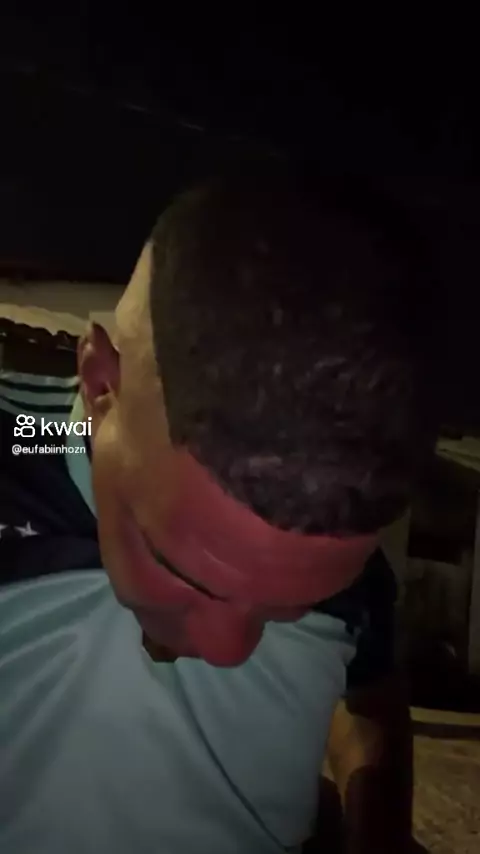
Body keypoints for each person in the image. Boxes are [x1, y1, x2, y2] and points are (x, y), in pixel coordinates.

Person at [0, 170, 436, 853]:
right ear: (101, 385)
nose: (230, 653)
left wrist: (374, 830)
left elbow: (370, 685)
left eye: (291, 611)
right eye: (186, 574)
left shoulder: (338, 549)